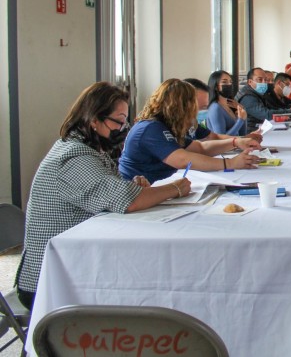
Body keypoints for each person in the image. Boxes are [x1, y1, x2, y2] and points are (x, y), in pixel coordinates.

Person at [15, 82, 191, 309]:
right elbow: (129, 201)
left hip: (75, 262)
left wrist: (133, 187)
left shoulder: (88, 149)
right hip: (49, 282)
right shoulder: (73, 157)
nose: (122, 128)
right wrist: (175, 188)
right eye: (118, 121)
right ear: (94, 120)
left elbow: (112, 191)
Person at [119, 79, 260, 183]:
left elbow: (200, 148)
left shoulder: (167, 126)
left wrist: (235, 142)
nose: (196, 113)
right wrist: (230, 163)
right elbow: (182, 159)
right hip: (138, 191)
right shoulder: (150, 128)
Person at [237, 67, 290, 132]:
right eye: (260, 79)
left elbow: (271, 108)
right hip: (251, 132)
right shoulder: (247, 97)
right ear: (250, 82)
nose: (264, 82)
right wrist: (290, 111)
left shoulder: (259, 93)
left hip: (260, 128)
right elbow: (266, 114)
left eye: (265, 80)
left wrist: (290, 111)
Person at [205, 70, 248, 136]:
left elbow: (242, 134)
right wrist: (240, 120)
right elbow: (221, 138)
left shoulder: (232, 105)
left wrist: (243, 113)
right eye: (224, 82)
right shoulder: (215, 108)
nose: (229, 85)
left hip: (238, 142)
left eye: (230, 82)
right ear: (216, 86)